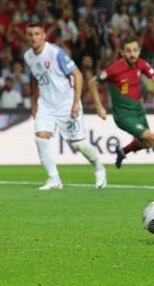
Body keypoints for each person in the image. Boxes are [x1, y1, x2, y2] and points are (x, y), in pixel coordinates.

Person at [88, 36, 154, 183]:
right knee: (152, 138)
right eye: (129, 51)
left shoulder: (141, 64)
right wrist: (99, 107)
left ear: (139, 51)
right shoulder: (114, 69)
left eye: (135, 50)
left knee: (145, 143)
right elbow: (92, 82)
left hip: (138, 111)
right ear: (122, 53)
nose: (132, 54)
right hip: (124, 116)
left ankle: (122, 151)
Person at [23, 23, 106, 190]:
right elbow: (35, 79)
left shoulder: (55, 53)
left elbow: (78, 74)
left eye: (37, 34)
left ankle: (99, 167)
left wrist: (75, 103)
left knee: (78, 145)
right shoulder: (28, 56)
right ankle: (54, 179)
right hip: (46, 106)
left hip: (66, 105)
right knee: (41, 138)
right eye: (30, 34)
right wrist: (34, 103)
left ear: (44, 35)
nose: (33, 37)